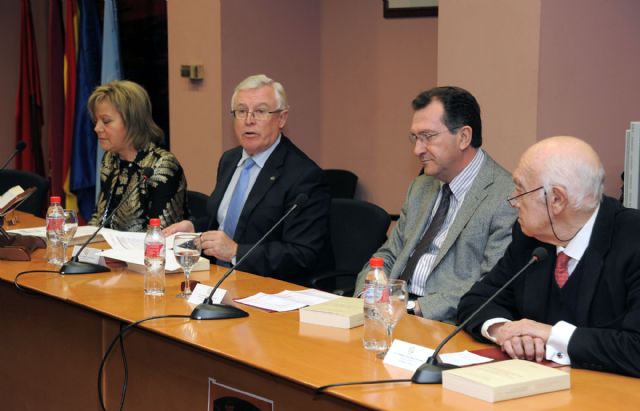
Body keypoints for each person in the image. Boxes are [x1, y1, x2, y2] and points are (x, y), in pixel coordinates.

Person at [457, 136, 640, 378]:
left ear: (556, 199)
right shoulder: (530, 237)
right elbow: (477, 299)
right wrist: (504, 330)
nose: (513, 201)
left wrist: (551, 335)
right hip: (538, 391)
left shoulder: (632, 241)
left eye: (520, 189)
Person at [354, 86, 516, 323]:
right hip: (393, 313)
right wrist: (367, 293)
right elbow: (389, 253)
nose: (417, 150)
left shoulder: (506, 196)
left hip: (443, 323)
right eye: (415, 138)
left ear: (463, 137)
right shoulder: (421, 187)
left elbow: (492, 283)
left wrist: (412, 308)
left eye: (427, 137)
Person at [164, 74, 332, 284]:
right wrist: (194, 229)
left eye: (260, 111)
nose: (249, 120)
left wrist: (236, 252)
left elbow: (302, 254)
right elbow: (225, 224)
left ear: (282, 118)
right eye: (241, 111)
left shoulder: (304, 176)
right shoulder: (230, 159)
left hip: (268, 288)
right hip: (217, 279)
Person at [87, 80, 189, 231]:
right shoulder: (110, 159)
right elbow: (100, 217)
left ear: (132, 121)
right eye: (96, 121)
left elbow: (160, 235)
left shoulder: (161, 166)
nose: (97, 128)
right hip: (109, 250)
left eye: (106, 121)